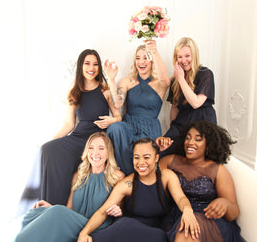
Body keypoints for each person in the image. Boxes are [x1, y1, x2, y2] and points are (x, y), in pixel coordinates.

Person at [77, 138, 200, 242]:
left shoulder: (167, 176)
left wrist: (188, 210)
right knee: (125, 225)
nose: (141, 162)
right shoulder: (127, 184)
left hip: (157, 233)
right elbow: (103, 211)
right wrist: (84, 233)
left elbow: (181, 198)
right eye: (136, 157)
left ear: (156, 158)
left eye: (146, 157)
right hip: (128, 232)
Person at [40, 49, 122, 205]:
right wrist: (52, 141)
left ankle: (64, 209)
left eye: (95, 64)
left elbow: (119, 116)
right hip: (78, 137)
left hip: (95, 141)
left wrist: (111, 121)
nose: (91, 67)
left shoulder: (104, 89)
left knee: (59, 154)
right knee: (48, 150)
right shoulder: (74, 91)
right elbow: (69, 124)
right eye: (87, 63)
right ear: (80, 66)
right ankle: (50, 206)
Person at [15, 132, 125, 242]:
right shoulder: (78, 175)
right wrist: (51, 208)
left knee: (56, 212)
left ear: (109, 152)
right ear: (87, 151)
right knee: (35, 213)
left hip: (95, 227)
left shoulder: (117, 177)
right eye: (91, 148)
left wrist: (118, 211)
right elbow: (69, 209)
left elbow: (120, 209)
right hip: (74, 224)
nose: (95, 153)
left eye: (101, 148)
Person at [158, 121, 244, 242]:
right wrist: (158, 150)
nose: (190, 142)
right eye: (188, 138)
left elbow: (234, 213)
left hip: (209, 220)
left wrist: (224, 203)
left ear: (209, 144)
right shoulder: (169, 161)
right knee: (185, 228)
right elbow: (148, 183)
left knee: (188, 232)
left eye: (198, 139)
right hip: (178, 215)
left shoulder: (218, 170)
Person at [104, 40, 170, 175]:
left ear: (151, 61)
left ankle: (140, 179)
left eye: (146, 58)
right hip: (129, 125)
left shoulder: (159, 84)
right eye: (138, 58)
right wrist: (111, 79)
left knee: (144, 155)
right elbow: (118, 103)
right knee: (115, 128)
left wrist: (155, 52)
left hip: (150, 128)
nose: (142, 62)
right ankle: (126, 177)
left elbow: (165, 80)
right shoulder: (127, 81)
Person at [160, 37, 217, 157]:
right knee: (162, 151)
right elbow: (175, 107)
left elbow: (196, 103)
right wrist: (172, 130)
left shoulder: (205, 74)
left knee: (197, 157)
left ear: (194, 56)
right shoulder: (176, 79)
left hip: (202, 120)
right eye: (179, 57)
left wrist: (181, 78)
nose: (183, 60)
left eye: (187, 56)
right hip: (181, 121)